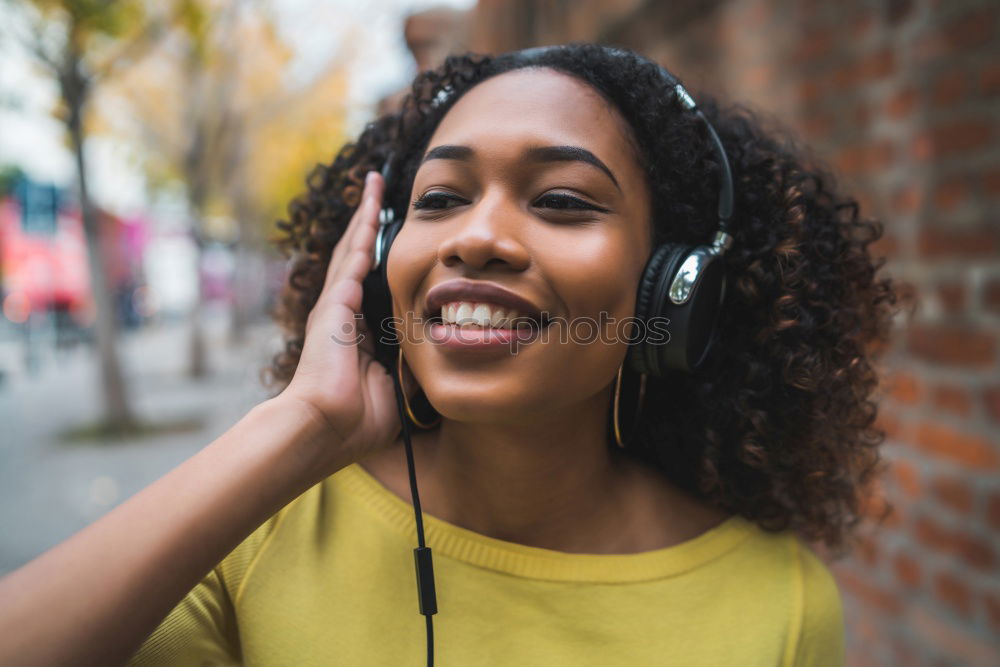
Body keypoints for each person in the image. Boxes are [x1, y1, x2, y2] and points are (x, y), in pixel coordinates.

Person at [0, 43, 902, 666]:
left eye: (560, 201)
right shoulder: (260, 523)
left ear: (676, 285)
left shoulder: (778, 604)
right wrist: (298, 426)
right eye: (438, 199)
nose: (476, 237)